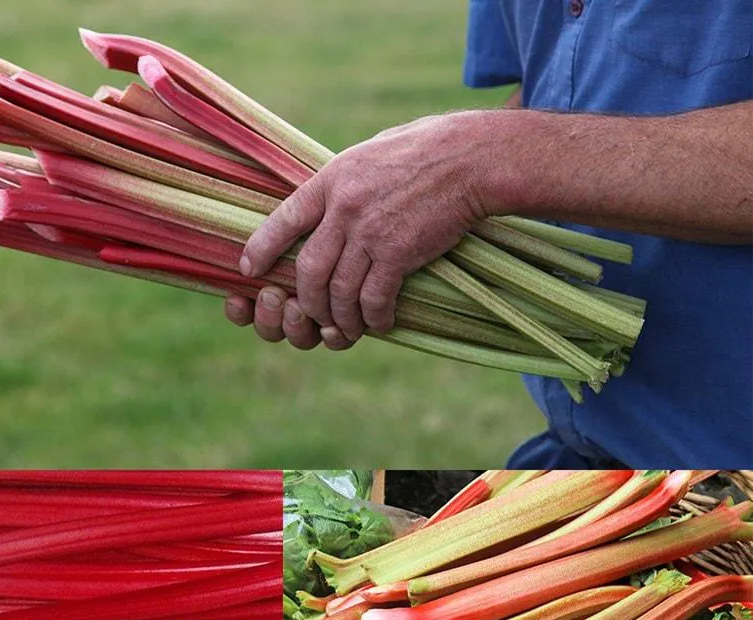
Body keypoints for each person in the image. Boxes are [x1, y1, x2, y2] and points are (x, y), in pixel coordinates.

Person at [223, 1, 753, 469]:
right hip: (583, 457)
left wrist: (481, 160)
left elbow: (505, 152)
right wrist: (346, 247)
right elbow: (549, 82)